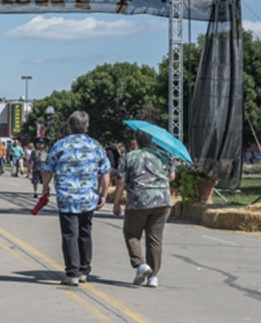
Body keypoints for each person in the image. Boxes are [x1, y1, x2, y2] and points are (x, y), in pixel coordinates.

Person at [41, 111, 111, 286]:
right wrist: (103, 194)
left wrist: (45, 188)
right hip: (88, 197)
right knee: (85, 233)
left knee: (70, 234)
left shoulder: (60, 146)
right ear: (86, 127)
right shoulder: (96, 146)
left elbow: (48, 170)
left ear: (69, 126)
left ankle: (72, 272)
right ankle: (84, 270)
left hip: (67, 198)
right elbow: (105, 172)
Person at [112, 130, 176, 288]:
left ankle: (141, 265)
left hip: (139, 201)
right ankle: (153, 276)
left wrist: (116, 202)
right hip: (162, 201)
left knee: (132, 234)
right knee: (155, 239)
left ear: (137, 141)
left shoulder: (131, 156)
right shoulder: (164, 155)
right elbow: (172, 176)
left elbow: (121, 182)